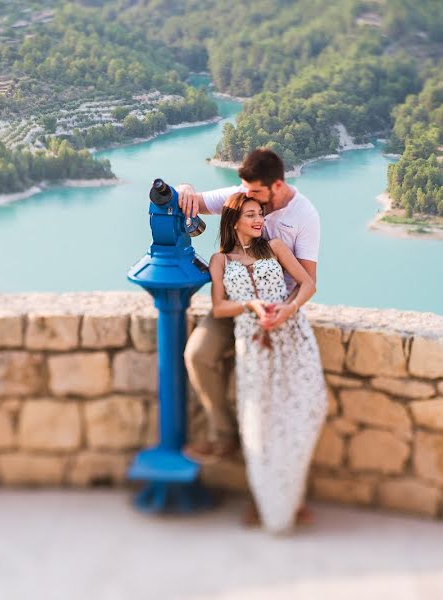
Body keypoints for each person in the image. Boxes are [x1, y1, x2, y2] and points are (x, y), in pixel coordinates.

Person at [176, 148, 320, 464]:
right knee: (198, 355)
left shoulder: (304, 217)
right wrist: (184, 189)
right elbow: (190, 202)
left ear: (277, 187)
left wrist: (287, 309)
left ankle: (274, 467)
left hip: (277, 312)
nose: (247, 197)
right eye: (245, 196)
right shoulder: (242, 196)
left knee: (270, 395)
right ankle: (225, 436)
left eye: (254, 194)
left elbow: (308, 281)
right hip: (235, 303)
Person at [204, 191, 326, 533]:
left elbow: (307, 284)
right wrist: (251, 306)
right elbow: (218, 307)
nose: (260, 220)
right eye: (251, 216)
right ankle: (268, 503)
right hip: (253, 345)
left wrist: (287, 309)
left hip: (292, 337)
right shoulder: (220, 261)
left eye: (260, 214)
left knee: (305, 412)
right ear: (234, 221)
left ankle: (293, 496)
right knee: (260, 422)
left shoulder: (275, 248)